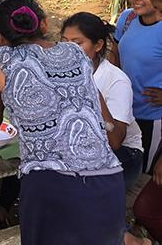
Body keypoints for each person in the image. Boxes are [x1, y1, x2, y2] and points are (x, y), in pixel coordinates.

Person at [0, 0, 128, 245]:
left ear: (0, 37)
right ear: (43, 23)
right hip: (107, 182)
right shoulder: (77, 53)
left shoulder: (0, 61)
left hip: (51, 186)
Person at [61, 12, 144, 191]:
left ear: (98, 45)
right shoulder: (62, 71)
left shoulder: (116, 81)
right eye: (64, 41)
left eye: (77, 43)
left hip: (123, 155)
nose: (68, 49)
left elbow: (115, 141)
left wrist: (93, 93)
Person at [113, 0, 162, 173]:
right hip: (124, 111)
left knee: (144, 174)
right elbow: (114, 52)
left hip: (151, 116)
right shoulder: (128, 18)